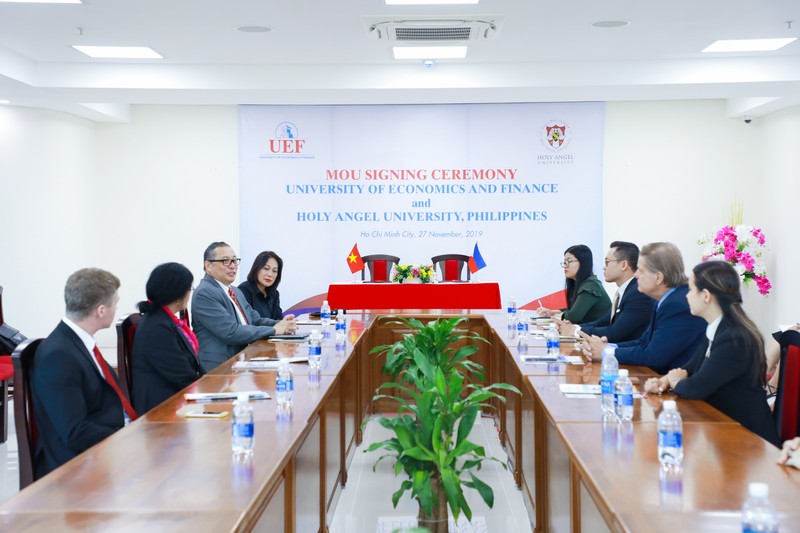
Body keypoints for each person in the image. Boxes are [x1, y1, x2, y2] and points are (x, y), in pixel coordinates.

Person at [644, 261, 780, 445]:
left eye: (690, 290)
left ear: (706, 296)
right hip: (725, 428)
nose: (686, 296)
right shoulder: (718, 329)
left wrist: (676, 381)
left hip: (748, 438)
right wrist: (665, 381)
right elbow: (689, 368)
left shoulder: (734, 338)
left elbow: (696, 387)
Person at [30, 268, 134, 478]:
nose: (116, 308)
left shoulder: (77, 343)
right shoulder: (58, 356)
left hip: (104, 445)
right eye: (115, 303)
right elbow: (75, 432)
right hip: (77, 465)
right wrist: (128, 439)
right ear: (101, 310)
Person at [580, 242, 706, 374]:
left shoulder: (677, 305)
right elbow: (644, 341)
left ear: (658, 277)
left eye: (641, 270)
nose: (636, 275)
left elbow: (654, 356)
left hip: (674, 381)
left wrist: (606, 352)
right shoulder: (664, 299)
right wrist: (606, 347)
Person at [192, 241, 297, 371]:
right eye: (225, 261)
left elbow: (255, 320)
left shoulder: (235, 291)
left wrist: (283, 324)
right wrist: (275, 330)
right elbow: (231, 332)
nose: (233, 266)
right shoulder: (205, 293)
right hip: (220, 368)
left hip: (243, 359)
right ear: (208, 266)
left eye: (234, 260)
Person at [131, 262, 204, 414]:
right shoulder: (157, 327)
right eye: (189, 289)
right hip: (161, 407)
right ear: (178, 296)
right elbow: (182, 375)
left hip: (174, 397)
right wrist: (210, 390)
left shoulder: (163, 320)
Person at [560, 241, 655, 343]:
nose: (604, 267)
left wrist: (575, 331)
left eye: (607, 262)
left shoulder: (637, 293)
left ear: (623, 265)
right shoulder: (625, 291)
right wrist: (575, 328)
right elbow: (604, 322)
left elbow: (615, 332)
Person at [538, 244, 611, 323]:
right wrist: (552, 312)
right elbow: (573, 310)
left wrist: (557, 316)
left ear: (583, 263)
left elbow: (573, 317)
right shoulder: (581, 283)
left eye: (569, 261)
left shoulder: (591, 285)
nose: (565, 265)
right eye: (565, 261)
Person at [239, 251, 285, 320]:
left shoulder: (274, 294)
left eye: (274, 271)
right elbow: (250, 321)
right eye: (266, 268)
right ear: (256, 268)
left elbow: (278, 320)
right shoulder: (243, 290)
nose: (270, 274)